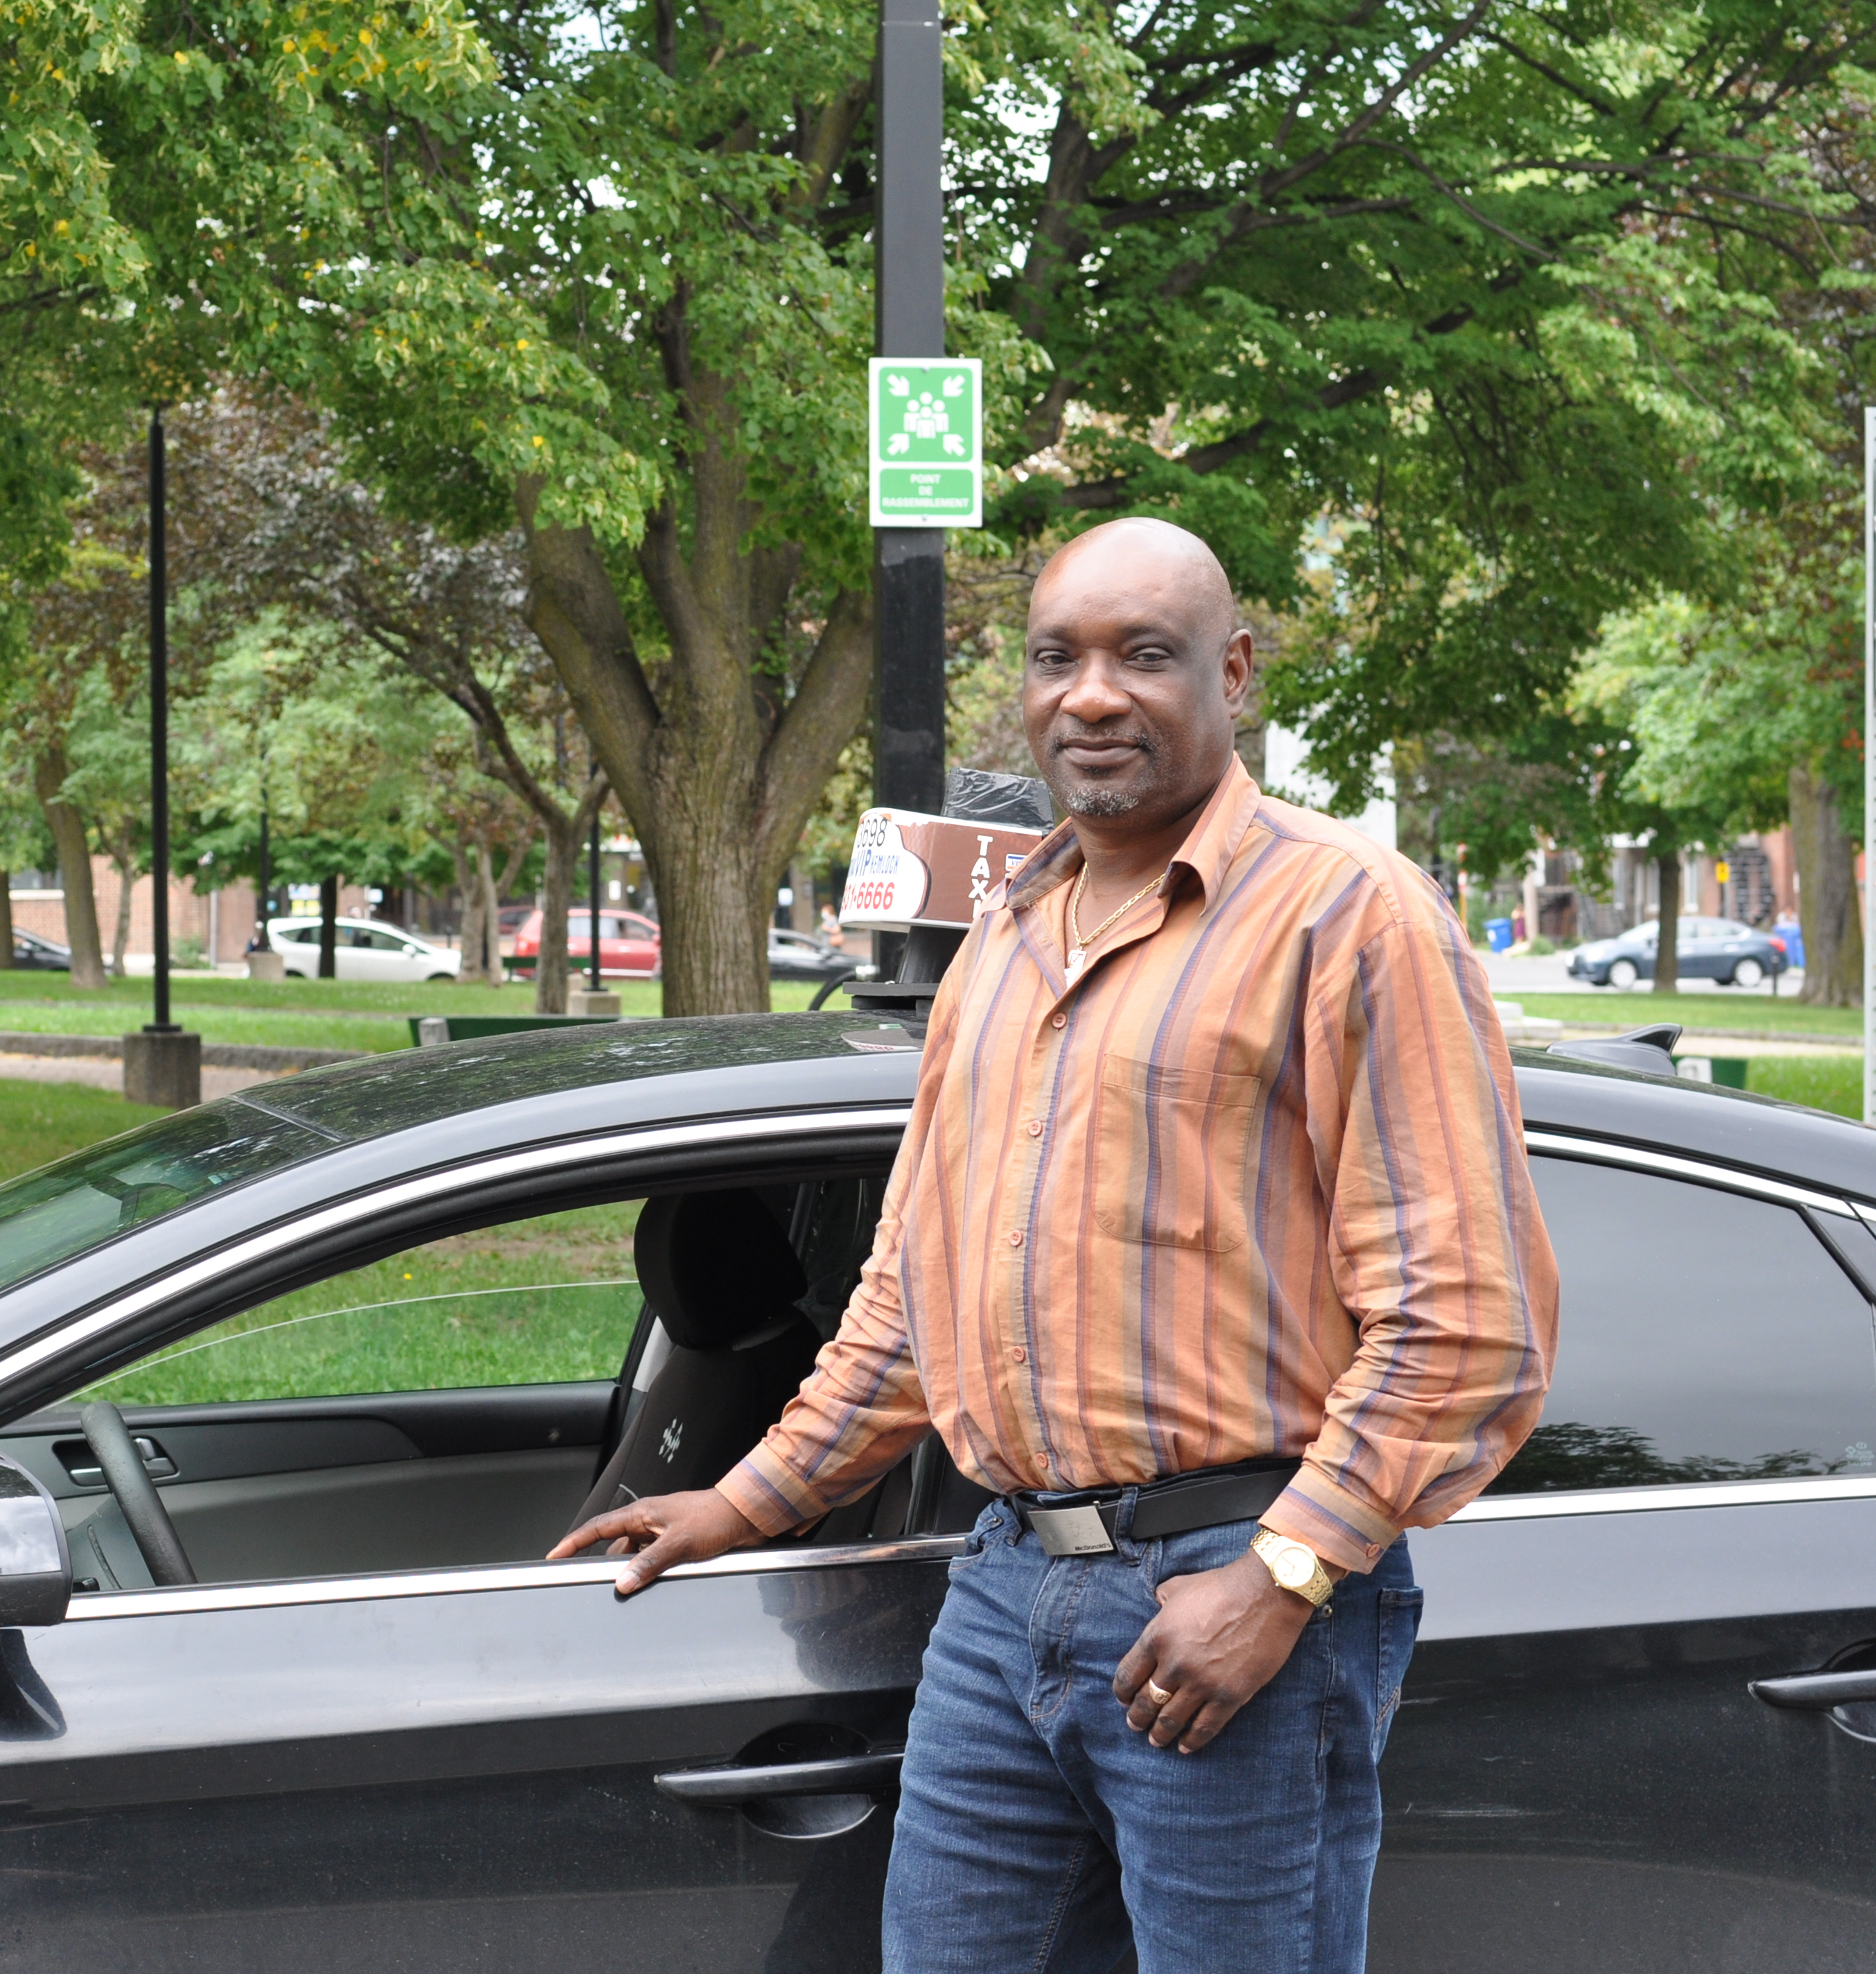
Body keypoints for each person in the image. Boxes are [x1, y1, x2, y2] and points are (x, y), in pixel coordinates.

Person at [555, 517, 1558, 1974]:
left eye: (1141, 654)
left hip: (1227, 1585)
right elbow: (912, 1297)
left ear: (1232, 671)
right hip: (1003, 1578)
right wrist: (745, 1497)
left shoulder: (1349, 915)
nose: (1090, 694)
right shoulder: (1007, 936)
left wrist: (1280, 1577)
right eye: (1054, 656)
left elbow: (1463, 1320)